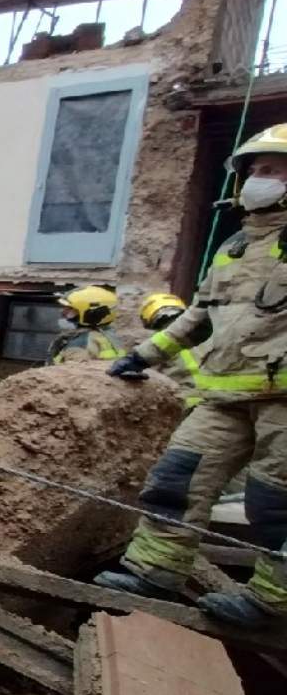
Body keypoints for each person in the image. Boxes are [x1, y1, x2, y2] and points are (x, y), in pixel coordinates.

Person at [94, 124, 287, 630]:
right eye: (258, 170)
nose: (262, 180)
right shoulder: (235, 247)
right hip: (224, 394)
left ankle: (273, 604)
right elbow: (199, 315)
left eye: (275, 170)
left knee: (275, 506)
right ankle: (154, 572)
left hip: (285, 399)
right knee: (177, 481)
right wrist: (143, 355)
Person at [47, 285, 124, 364]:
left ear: (92, 313)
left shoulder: (80, 343)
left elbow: (72, 374)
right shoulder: (109, 335)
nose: (63, 312)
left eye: (70, 308)